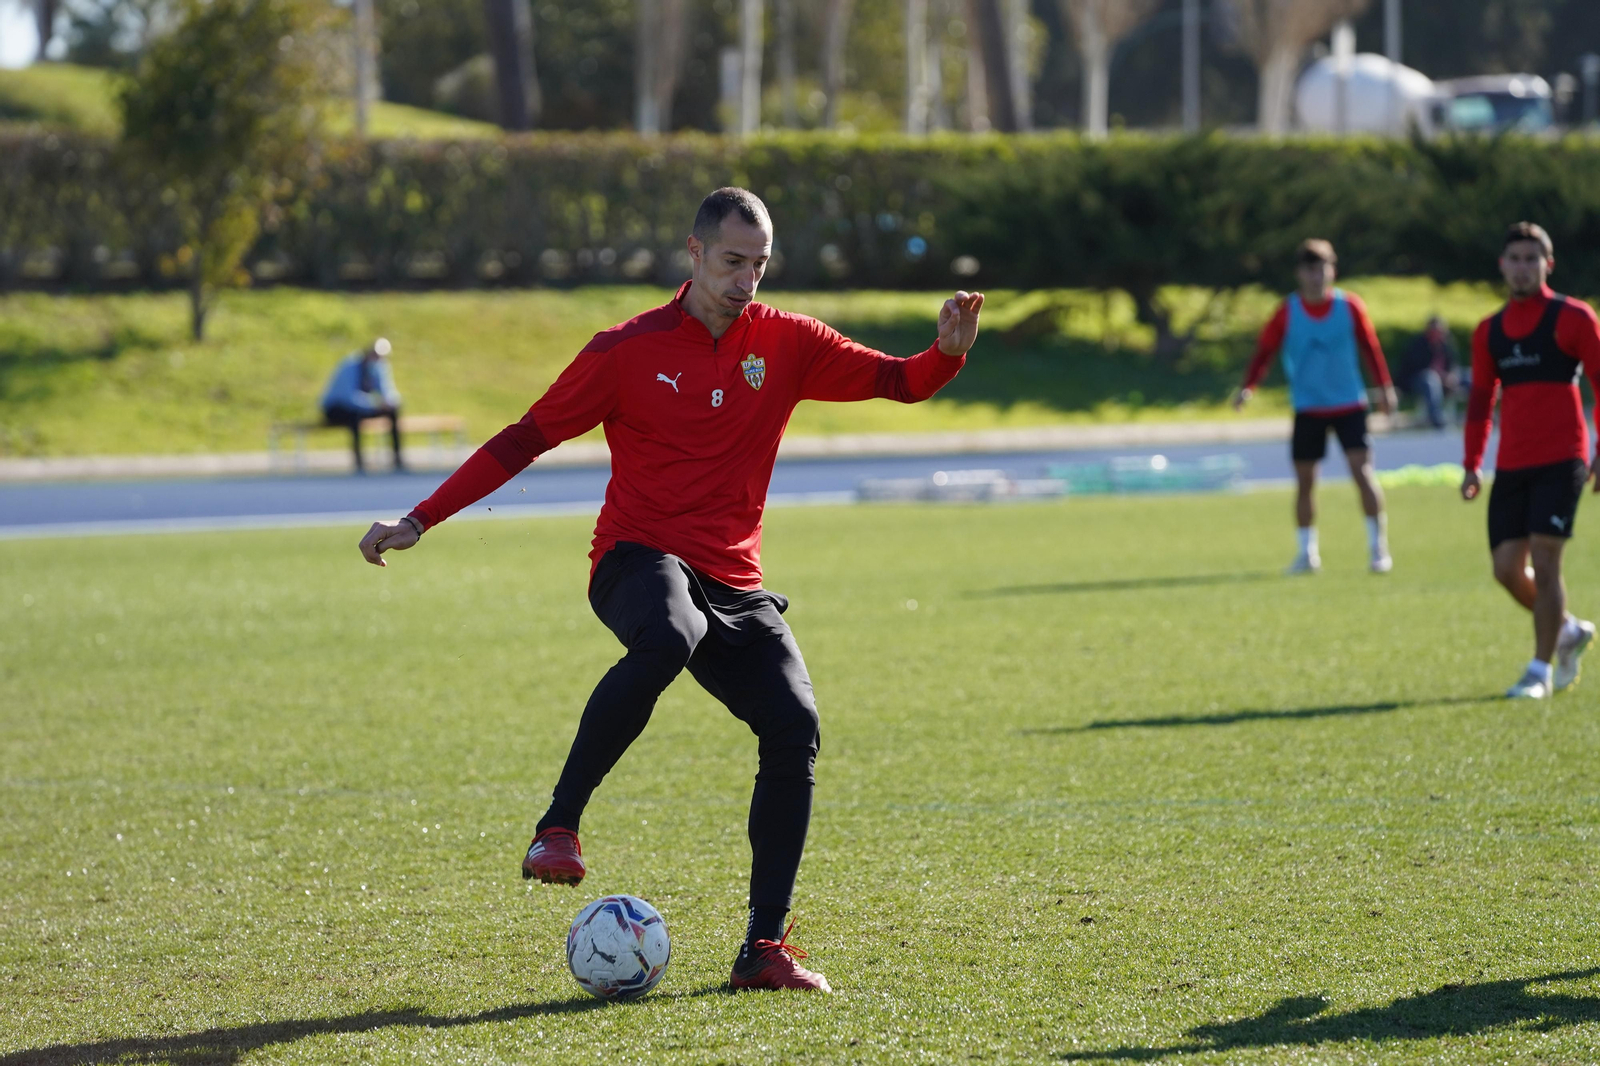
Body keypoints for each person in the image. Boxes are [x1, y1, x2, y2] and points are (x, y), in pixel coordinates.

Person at [355, 188, 984, 992]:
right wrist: (419, 519)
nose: (746, 280)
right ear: (692, 253)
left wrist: (949, 351)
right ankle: (558, 827)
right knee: (671, 633)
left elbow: (901, 383)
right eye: (731, 262)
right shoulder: (626, 349)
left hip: (736, 582)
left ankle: (763, 951)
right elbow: (525, 436)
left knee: (795, 726)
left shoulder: (787, 342)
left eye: (759, 264)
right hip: (635, 558)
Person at [1461, 221, 1600, 699]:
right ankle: (1566, 631)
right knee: (1504, 570)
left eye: (1530, 259)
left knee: (1545, 561)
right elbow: (1481, 403)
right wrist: (1471, 463)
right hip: (1513, 463)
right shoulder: (1489, 331)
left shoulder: (1576, 318)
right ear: (1502, 266)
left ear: (1548, 265)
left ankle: (1539, 670)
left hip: (1563, 460)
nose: (1522, 268)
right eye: (1514, 259)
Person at [1234, 239, 1399, 574]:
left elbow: (1370, 347)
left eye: (1321, 269)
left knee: (1362, 473)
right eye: (1309, 270)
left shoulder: (1350, 307)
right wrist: (1248, 387)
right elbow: (1264, 351)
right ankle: (1306, 554)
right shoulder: (1287, 312)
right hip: (1308, 407)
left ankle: (1377, 549)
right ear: (1299, 274)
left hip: (1349, 404)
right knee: (1305, 482)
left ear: (1332, 271)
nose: (1315, 276)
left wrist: (1385, 387)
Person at [321, 338, 404, 473]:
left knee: (392, 412)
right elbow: (349, 398)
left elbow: (386, 391)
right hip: (336, 407)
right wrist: (375, 403)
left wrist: (389, 403)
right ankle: (359, 462)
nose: (378, 358)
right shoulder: (350, 366)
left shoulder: (379, 366)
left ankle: (397, 460)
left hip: (363, 405)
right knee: (354, 416)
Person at [1396, 315, 1467, 429]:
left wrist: (1451, 376)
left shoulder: (1446, 344)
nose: (1438, 334)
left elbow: (1453, 364)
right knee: (1430, 379)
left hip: (1444, 382)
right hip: (1417, 382)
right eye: (1434, 331)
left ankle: (1478, 416)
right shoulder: (1418, 345)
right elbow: (1414, 368)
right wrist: (1438, 375)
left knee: (1469, 376)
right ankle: (1436, 419)